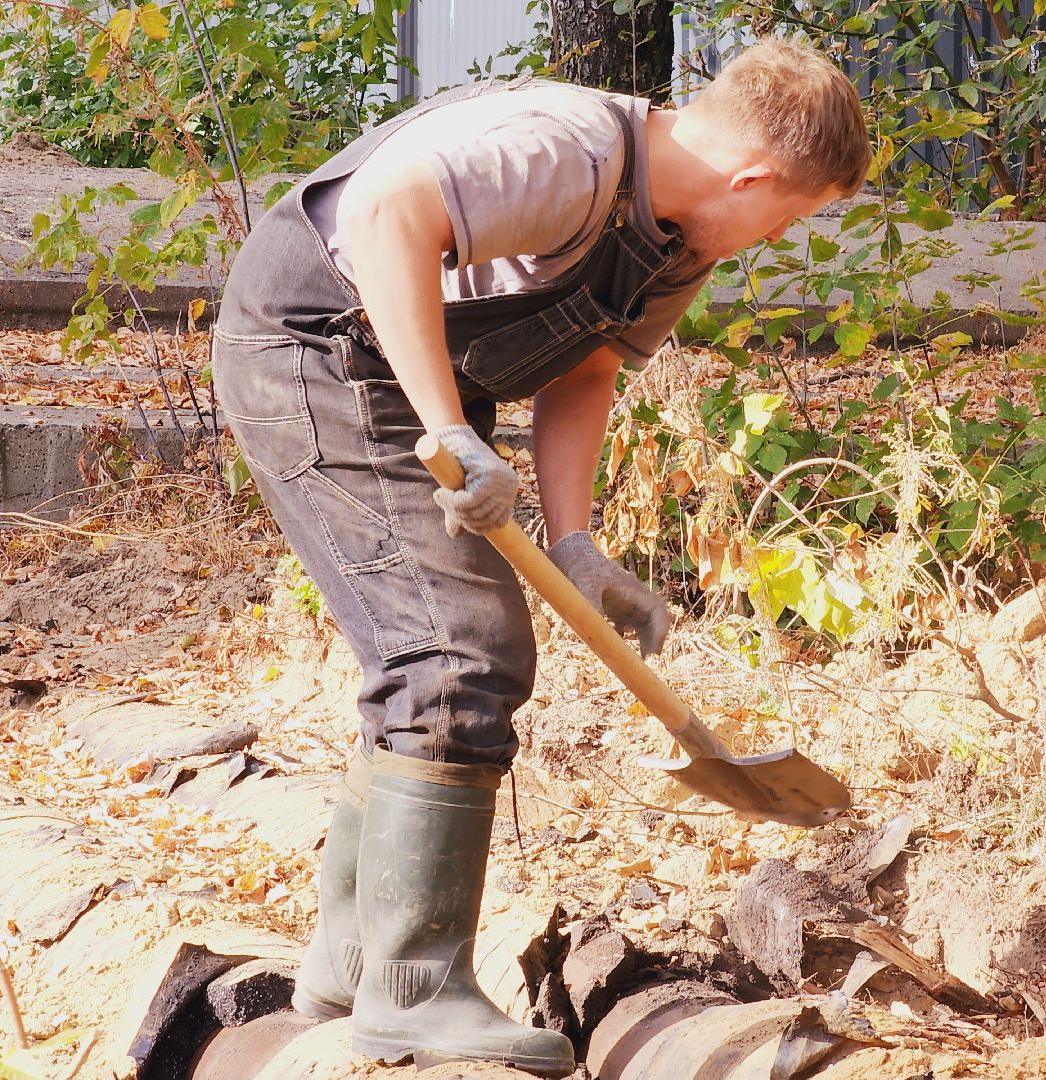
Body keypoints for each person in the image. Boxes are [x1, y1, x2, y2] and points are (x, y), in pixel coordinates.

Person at [211, 37, 871, 1077]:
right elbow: (389, 214)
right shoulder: (567, 151)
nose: (778, 234)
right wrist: (451, 428)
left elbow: (588, 368)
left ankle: (350, 965)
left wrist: (579, 543)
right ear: (752, 177)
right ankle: (415, 990)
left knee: (436, 650)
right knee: (456, 648)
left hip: (411, 371)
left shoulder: (679, 241)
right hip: (316, 344)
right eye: (789, 215)